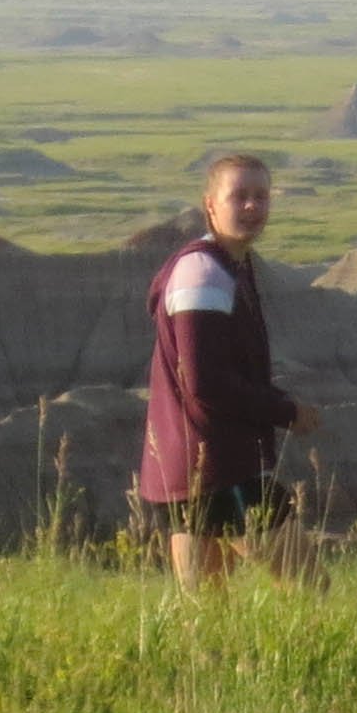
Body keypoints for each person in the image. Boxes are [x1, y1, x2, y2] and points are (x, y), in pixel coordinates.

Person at [137, 153, 320, 582]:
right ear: (211, 205)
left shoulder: (224, 267)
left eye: (261, 196)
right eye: (240, 196)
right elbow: (205, 381)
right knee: (311, 590)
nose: (253, 206)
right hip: (218, 465)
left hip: (186, 467)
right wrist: (285, 412)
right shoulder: (204, 274)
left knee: (207, 614)